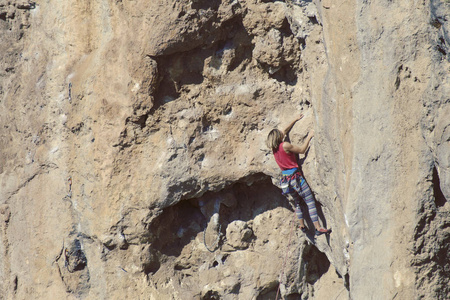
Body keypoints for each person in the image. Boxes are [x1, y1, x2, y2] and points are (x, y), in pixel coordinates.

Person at [266, 114, 331, 236]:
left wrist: (295, 119)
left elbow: (284, 131)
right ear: (278, 137)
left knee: (298, 202)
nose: (283, 133)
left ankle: (302, 225)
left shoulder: (274, 149)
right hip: (296, 179)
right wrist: (309, 136)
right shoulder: (285, 145)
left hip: (286, 182)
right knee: (309, 200)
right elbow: (301, 150)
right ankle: (317, 227)